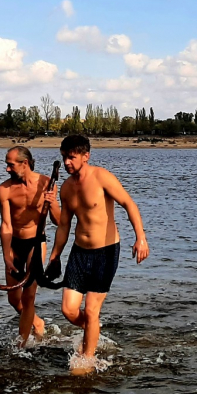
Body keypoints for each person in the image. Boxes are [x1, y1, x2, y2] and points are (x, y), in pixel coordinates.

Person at [47, 134, 149, 373]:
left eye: (72, 157)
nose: (68, 163)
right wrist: (54, 257)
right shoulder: (67, 188)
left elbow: (129, 204)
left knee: (92, 310)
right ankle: (94, 330)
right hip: (79, 252)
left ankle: (87, 361)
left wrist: (140, 238)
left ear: (85, 156)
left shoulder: (101, 177)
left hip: (106, 251)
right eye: (64, 158)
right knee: (69, 310)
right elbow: (63, 225)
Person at [0, 145, 60, 343]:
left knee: (28, 296)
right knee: (14, 299)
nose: (7, 169)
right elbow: (6, 225)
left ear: (25, 164)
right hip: (15, 244)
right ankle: (37, 322)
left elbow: (59, 221)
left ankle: (22, 345)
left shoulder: (47, 184)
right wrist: (7, 255)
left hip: (36, 242)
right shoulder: (4, 190)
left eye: (10, 165)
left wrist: (53, 203)